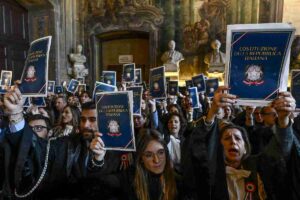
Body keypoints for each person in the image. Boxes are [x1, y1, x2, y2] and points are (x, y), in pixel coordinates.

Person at [183, 86, 299, 200]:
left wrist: (283, 120)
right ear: (219, 146)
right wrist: (212, 111)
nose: (233, 141)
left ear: (245, 148)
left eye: (238, 138)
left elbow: (281, 151)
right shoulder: (210, 172)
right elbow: (198, 149)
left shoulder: (260, 166)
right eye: (227, 138)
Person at [90, 129, 178, 200]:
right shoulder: (129, 178)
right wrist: (98, 158)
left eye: (161, 152)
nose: (156, 160)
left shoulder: (177, 180)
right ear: (141, 158)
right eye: (148, 155)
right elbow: (97, 187)